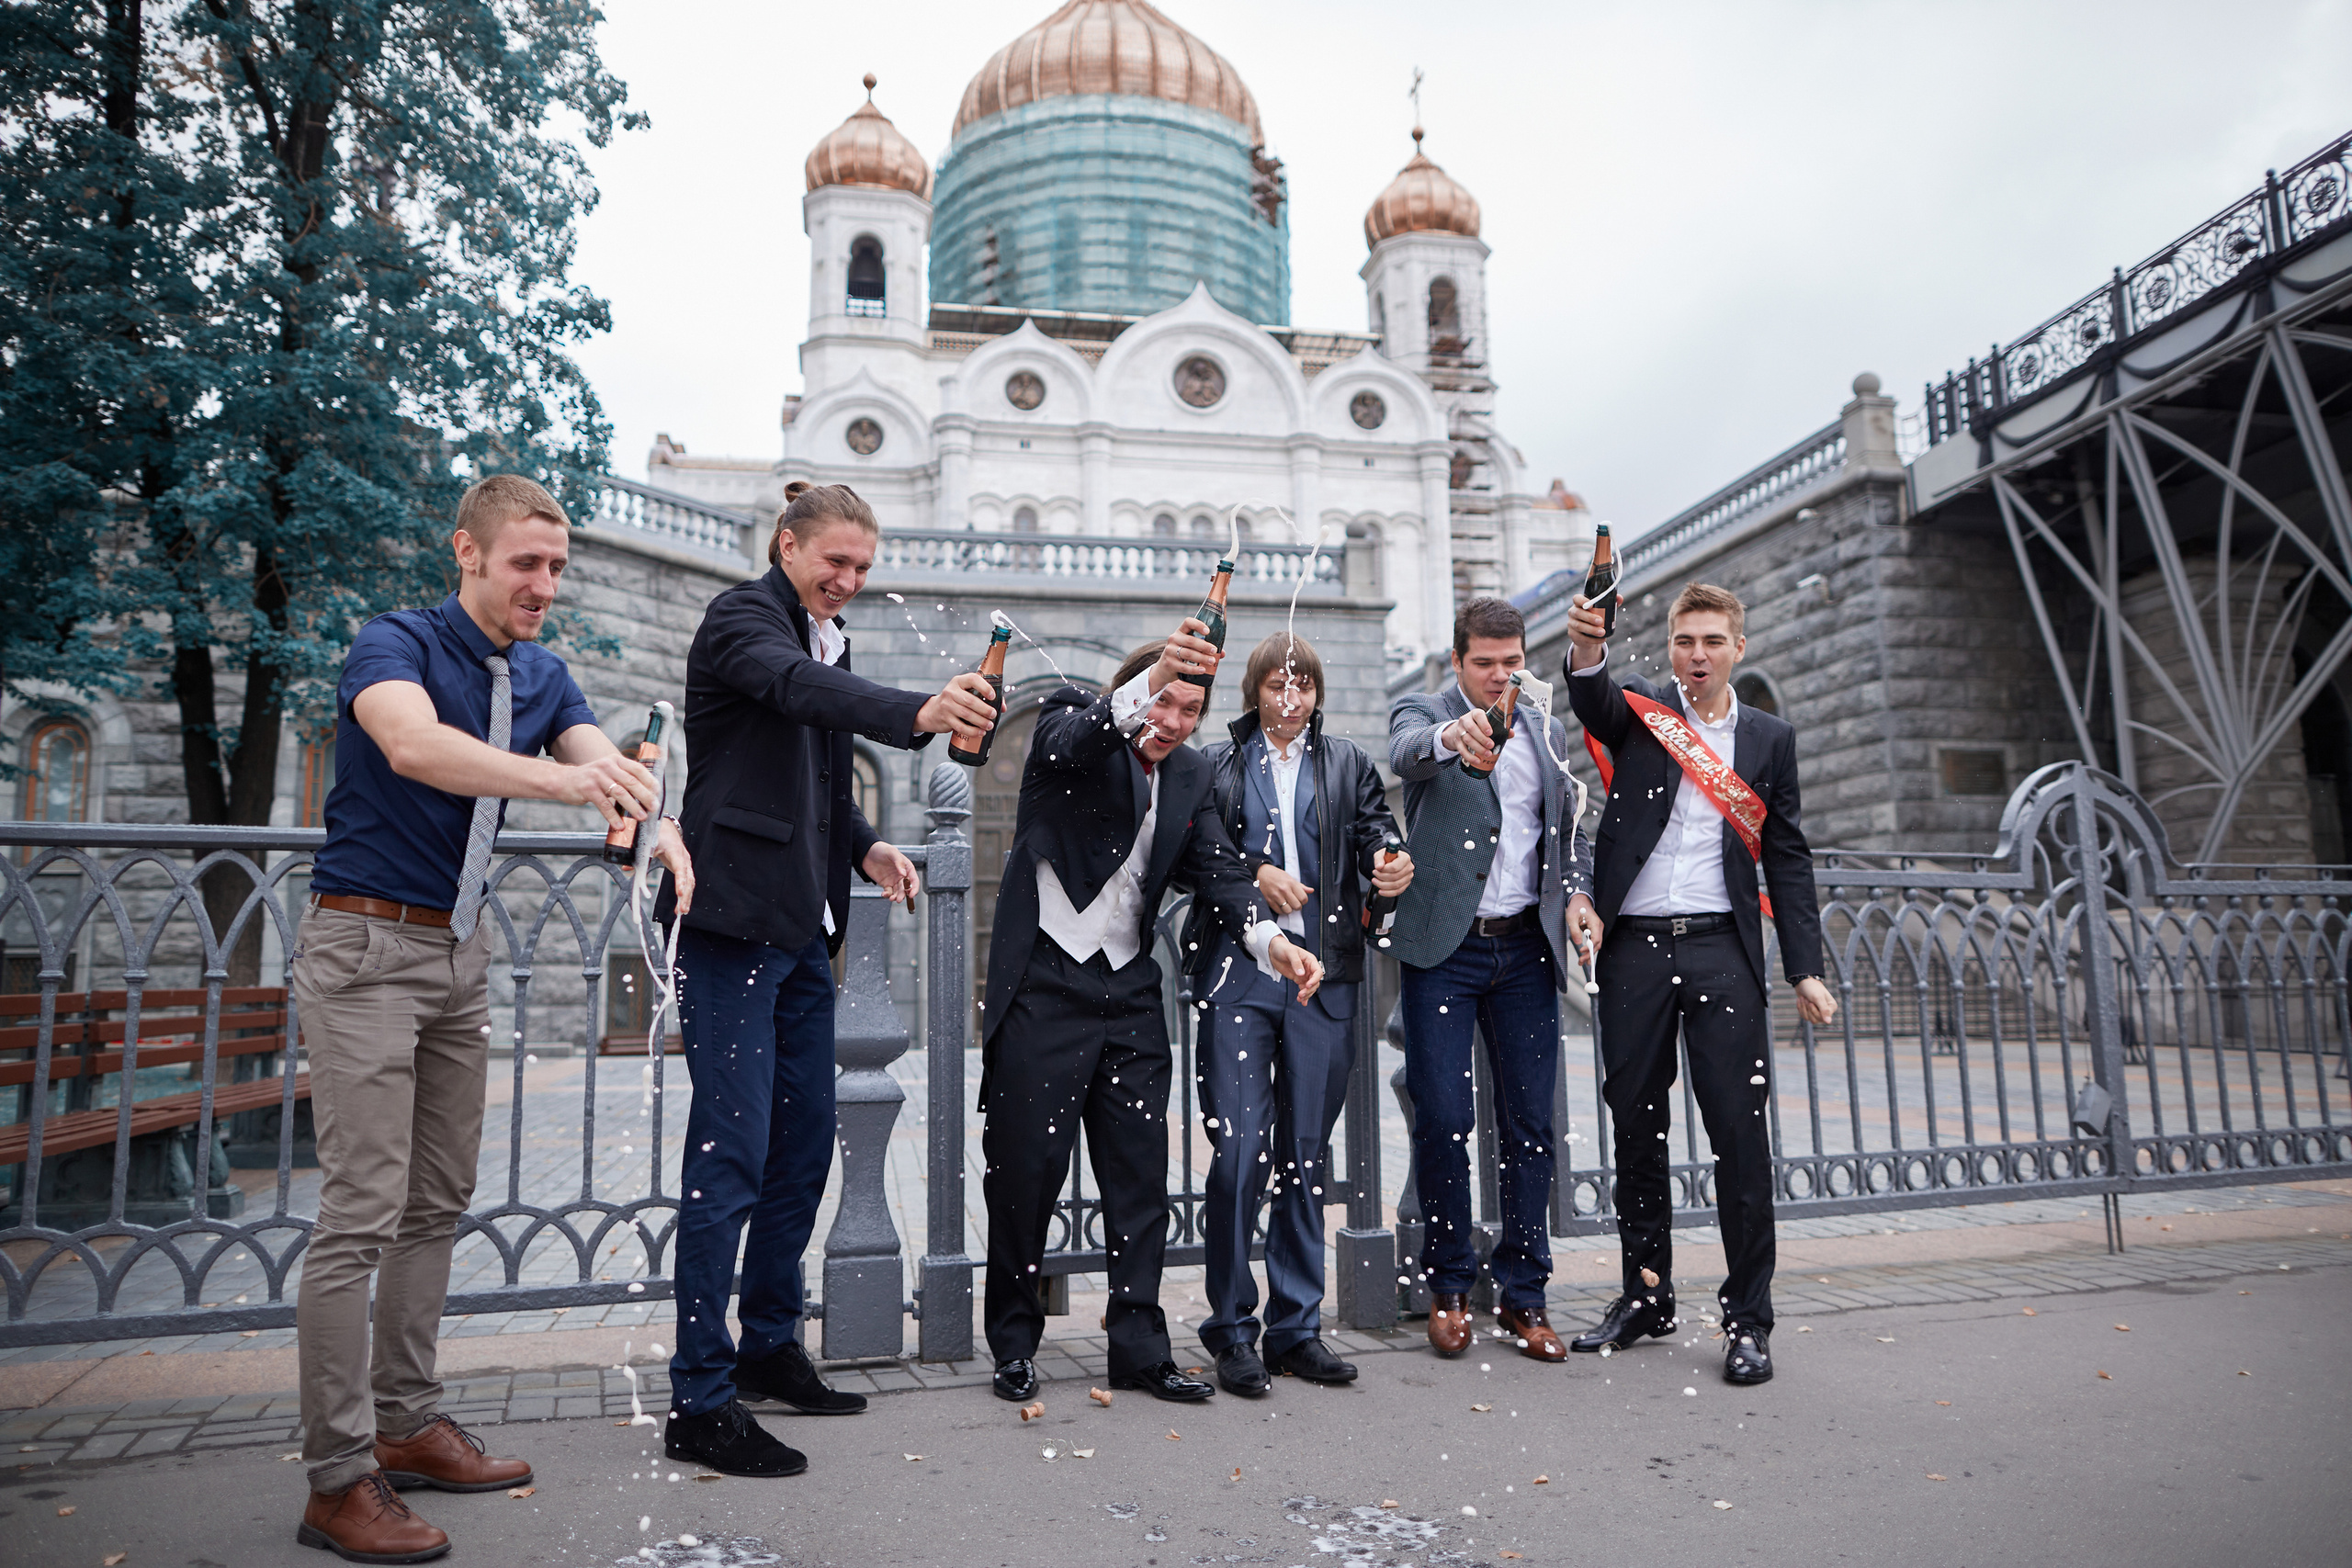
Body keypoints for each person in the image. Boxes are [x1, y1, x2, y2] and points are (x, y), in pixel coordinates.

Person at [292, 475, 695, 1564]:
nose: (544, 585)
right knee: (361, 1213)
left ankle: (408, 1422)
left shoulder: (543, 673)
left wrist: (652, 821)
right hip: (367, 945)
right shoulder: (396, 644)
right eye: (526, 563)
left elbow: (598, 754)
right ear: (465, 552)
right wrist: (576, 792)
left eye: (557, 568)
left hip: (457, 954)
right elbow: (416, 749)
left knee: (435, 1201)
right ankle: (337, 1480)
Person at [657, 481, 1001, 1477]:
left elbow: (812, 778)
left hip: (805, 933)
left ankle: (767, 1348)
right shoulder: (743, 621)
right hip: (727, 926)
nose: (846, 583)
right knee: (731, 1154)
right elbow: (795, 696)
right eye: (833, 564)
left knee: (803, 1146)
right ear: (788, 545)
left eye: (861, 569)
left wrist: (864, 846)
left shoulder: (829, 637)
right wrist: (918, 711)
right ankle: (699, 1398)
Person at [979, 619, 1326, 1406]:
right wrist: (1146, 686)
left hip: (1131, 988)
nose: (1172, 724)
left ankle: (1138, 1345)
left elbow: (1219, 870)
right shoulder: (1076, 723)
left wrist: (1271, 942)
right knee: (1028, 1172)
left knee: (1140, 1177)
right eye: (1163, 704)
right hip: (1043, 982)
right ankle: (1013, 1340)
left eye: (1189, 713)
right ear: (1138, 692)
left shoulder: (1194, 773)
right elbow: (1070, 744)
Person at [1562, 581, 1836, 1385]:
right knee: (1636, 1131)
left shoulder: (1769, 740)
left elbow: (1786, 853)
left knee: (1739, 1142)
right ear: (1671, 647)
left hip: (1722, 948)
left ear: (1738, 648)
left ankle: (1749, 1318)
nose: (1698, 655)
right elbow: (1592, 697)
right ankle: (1646, 1295)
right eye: (1686, 640)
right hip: (1636, 950)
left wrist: (1805, 968)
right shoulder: (1646, 712)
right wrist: (1586, 647)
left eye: (1713, 641)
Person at [1182, 632, 1412, 1394]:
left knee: (1305, 1155)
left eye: (1304, 685)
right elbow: (1193, 856)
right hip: (1239, 974)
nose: (1292, 697)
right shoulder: (1214, 764)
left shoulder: (1347, 761)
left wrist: (1390, 866)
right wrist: (1257, 871)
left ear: (1317, 692)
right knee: (1241, 1150)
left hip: (1326, 976)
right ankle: (1230, 1325)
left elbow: (1376, 837)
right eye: (1279, 684)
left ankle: (1296, 1326)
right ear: (1254, 692)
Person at [1387, 597, 1600, 1363]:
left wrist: (1578, 892)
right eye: (1485, 663)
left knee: (1530, 1127)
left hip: (1526, 953)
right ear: (1459, 661)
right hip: (1446, 948)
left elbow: (1569, 826)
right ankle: (1448, 1285)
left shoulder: (1544, 722)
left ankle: (1525, 1295)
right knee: (1442, 1117)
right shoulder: (1428, 710)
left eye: (1512, 662)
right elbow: (1408, 749)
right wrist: (1457, 734)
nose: (1501, 676)